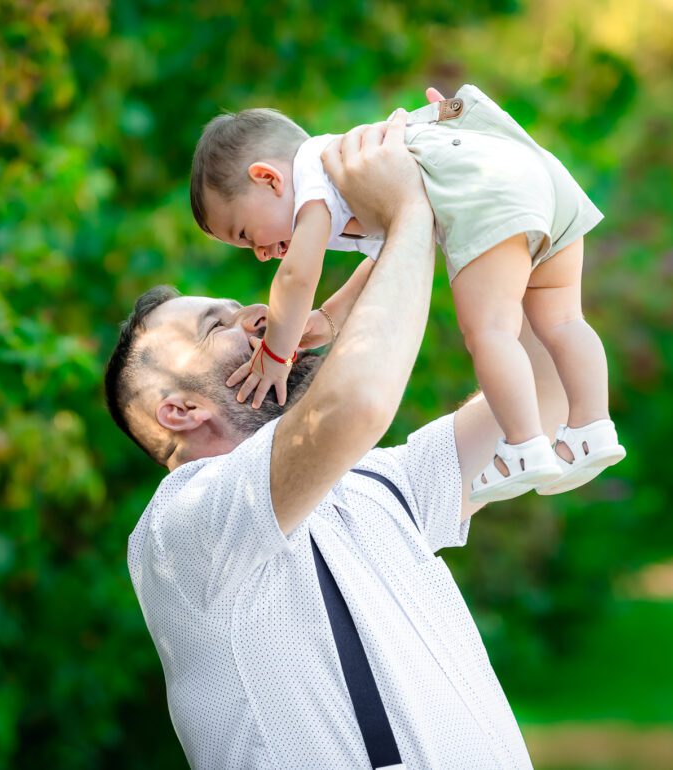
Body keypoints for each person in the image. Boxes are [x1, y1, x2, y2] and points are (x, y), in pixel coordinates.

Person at [105, 110, 569, 769]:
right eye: (220, 325)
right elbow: (354, 403)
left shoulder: (381, 482)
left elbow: (544, 392)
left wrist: (500, 199)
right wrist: (407, 211)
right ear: (179, 409)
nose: (256, 314)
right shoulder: (182, 530)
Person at [189, 85, 625, 503]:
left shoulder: (313, 175)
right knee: (564, 320)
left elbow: (295, 278)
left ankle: (523, 445)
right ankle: (592, 427)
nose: (261, 254)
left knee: (491, 332)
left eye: (246, 235)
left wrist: (276, 354)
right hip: (536, 173)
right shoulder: (357, 179)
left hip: (487, 191)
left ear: (268, 179)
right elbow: (386, 261)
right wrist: (330, 317)